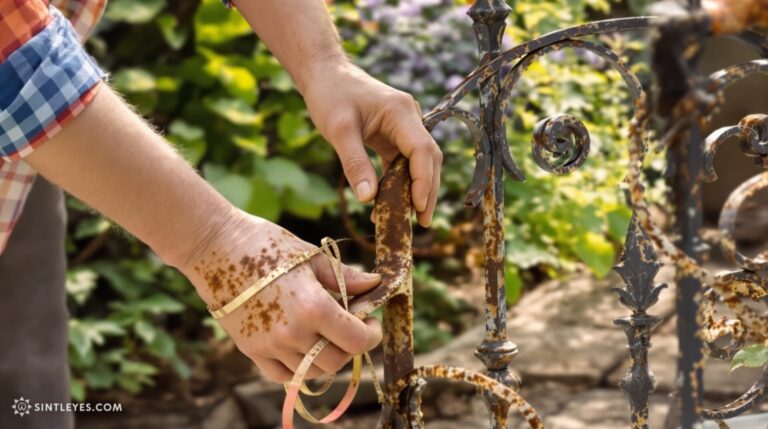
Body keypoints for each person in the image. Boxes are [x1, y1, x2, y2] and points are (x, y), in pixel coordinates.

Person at [0, 0, 442, 427]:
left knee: (27, 399)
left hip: (23, 159)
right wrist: (214, 243)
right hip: (26, 114)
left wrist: (325, 64)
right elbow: (12, 54)